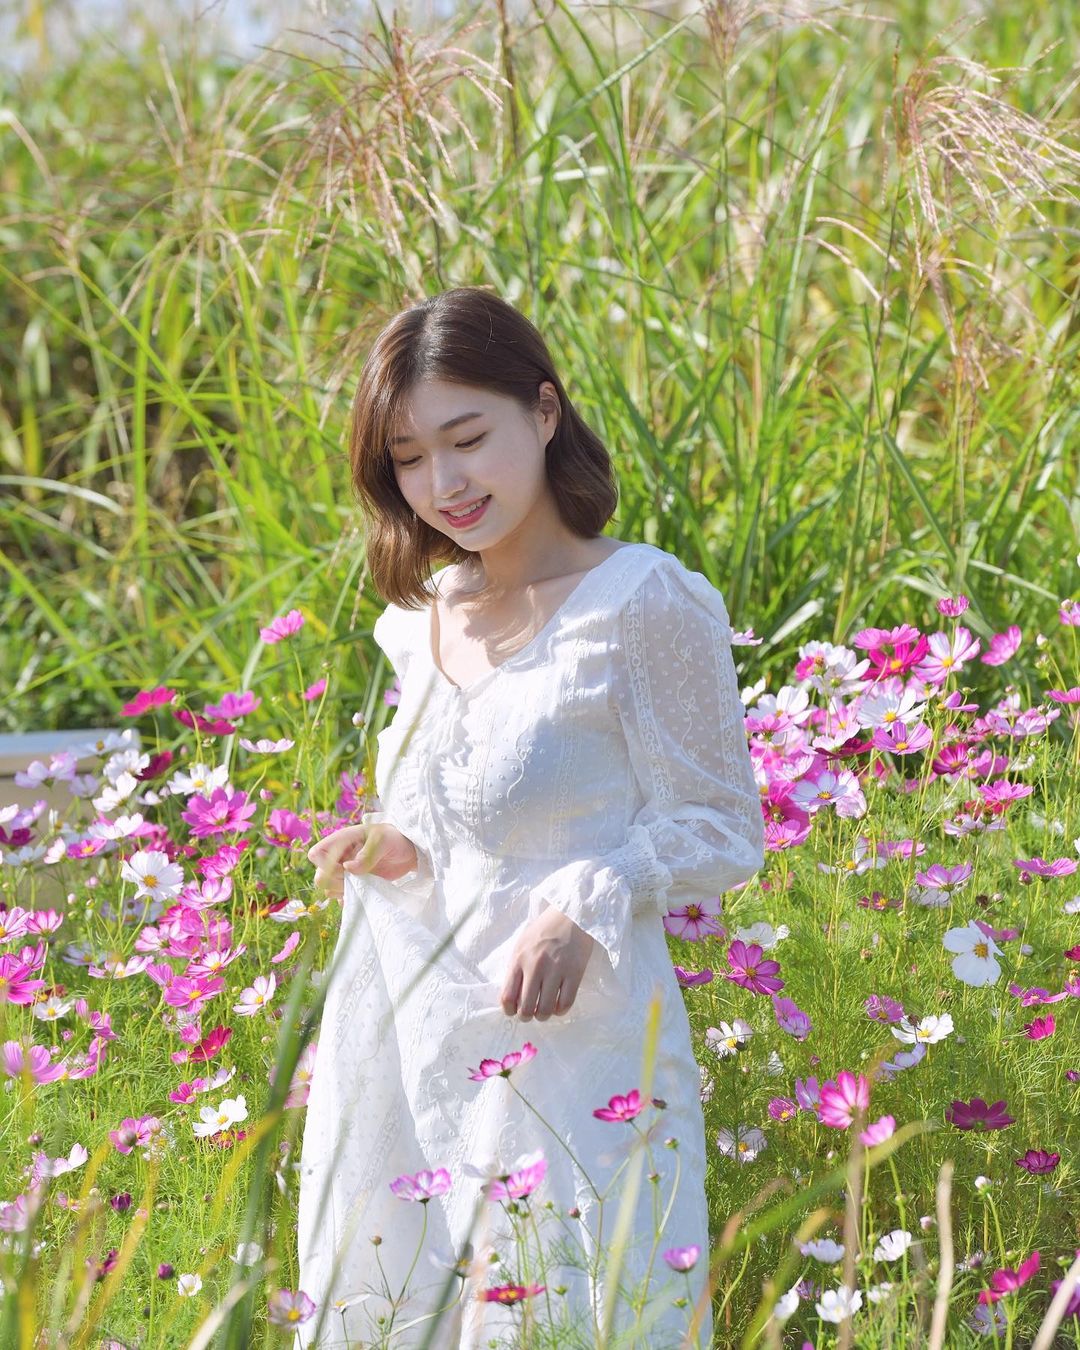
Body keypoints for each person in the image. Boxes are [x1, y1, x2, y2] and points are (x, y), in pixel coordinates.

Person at [296, 287, 765, 1349]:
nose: (445, 484)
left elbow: (722, 823)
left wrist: (586, 898)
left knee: (582, 1313)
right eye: (410, 458)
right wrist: (397, 845)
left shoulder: (642, 601)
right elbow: (463, 823)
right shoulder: (422, 624)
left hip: (581, 1059)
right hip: (426, 1047)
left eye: (468, 439)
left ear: (544, 413)